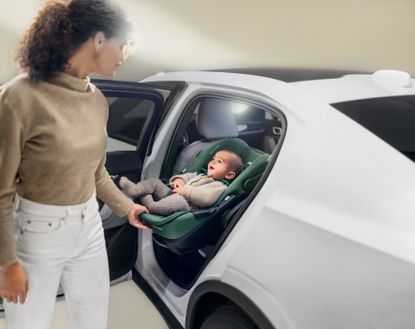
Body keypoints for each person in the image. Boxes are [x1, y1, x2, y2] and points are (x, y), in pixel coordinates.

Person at [0, 1, 151, 328]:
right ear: (98, 40)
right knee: (29, 323)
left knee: (93, 321)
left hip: (89, 226)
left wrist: (128, 208)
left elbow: (96, 172)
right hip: (37, 231)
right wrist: (6, 262)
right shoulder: (19, 96)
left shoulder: (97, 99)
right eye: (123, 43)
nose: (126, 53)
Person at [120, 149, 243, 216]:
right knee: (154, 182)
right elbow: (188, 176)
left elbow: (206, 199)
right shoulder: (201, 174)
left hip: (187, 206)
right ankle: (135, 189)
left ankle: (148, 202)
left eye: (220, 162)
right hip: (173, 193)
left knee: (176, 201)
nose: (213, 162)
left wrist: (184, 191)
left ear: (229, 175)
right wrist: (179, 180)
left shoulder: (219, 186)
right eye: (213, 159)